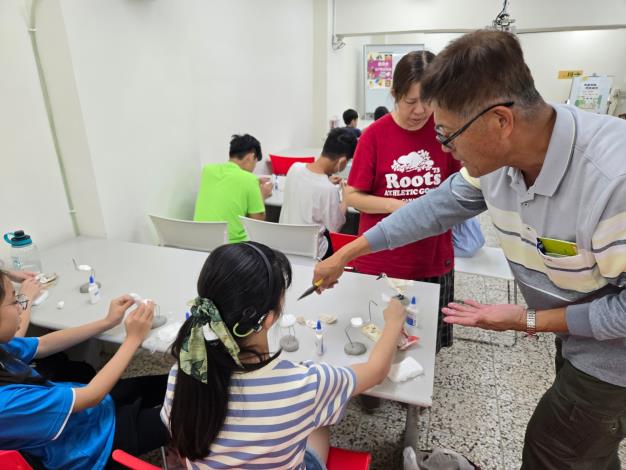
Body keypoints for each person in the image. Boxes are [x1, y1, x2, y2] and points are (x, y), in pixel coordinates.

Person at [314, 30, 626, 469]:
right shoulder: (497, 161)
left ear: (501, 121)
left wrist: (527, 319)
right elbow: (433, 209)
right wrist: (347, 253)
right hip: (577, 330)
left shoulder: (612, 180)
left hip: (614, 356)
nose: (444, 148)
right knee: (588, 455)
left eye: (447, 134)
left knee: (553, 452)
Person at [161, 242, 407, 469]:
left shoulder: (182, 374)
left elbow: (186, 453)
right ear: (268, 318)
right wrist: (394, 322)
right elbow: (376, 372)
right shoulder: (305, 385)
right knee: (319, 422)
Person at [345, 50, 461, 352]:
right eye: (411, 101)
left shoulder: (445, 131)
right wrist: (398, 207)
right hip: (383, 261)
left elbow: (461, 189)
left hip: (431, 258)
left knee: (424, 347)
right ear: (395, 94)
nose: (421, 110)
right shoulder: (374, 136)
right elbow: (352, 196)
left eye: (429, 100)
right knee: (377, 342)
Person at [0, 269, 168, 469]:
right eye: (14, 301)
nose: (21, 308)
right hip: (91, 449)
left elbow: (42, 345)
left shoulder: (3, 346)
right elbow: (91, 395)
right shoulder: (7, 404)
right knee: (186, 415)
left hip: (85, 414)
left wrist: (107, 322)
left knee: (161, 384)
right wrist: (133, 339)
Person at [279, 128, 357, 259]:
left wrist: (326, 182)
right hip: (312, 253)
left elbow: (309, 187)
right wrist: (346, 199)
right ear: (342, 161)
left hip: (285, 247)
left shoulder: (294, 168)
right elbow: (335, 227)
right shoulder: (329, 190)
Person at [194, 134, 273, 243]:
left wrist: (254, 184)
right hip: (232, 246)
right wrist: (262, 195)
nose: (254, 168)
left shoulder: (208, 171)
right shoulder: (249, 179)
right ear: (251, 157)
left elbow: (230, 184)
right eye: (255, 162)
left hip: (199, 241)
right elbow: (257, 222)